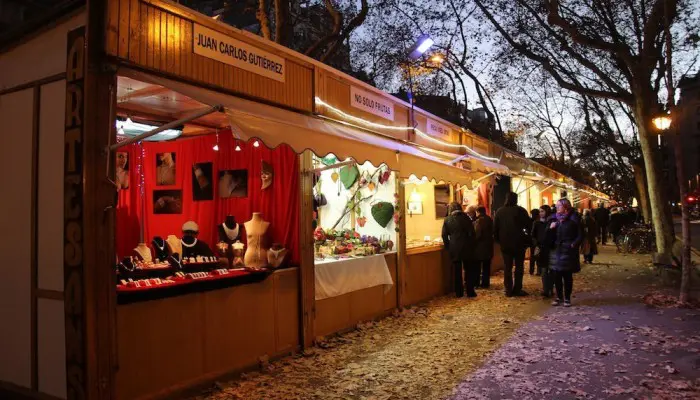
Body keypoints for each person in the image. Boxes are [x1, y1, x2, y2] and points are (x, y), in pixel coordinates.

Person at [494, 192, 532, 297]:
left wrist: (499, 240)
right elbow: (529, 226)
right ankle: (517, 289)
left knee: (507, 267)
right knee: (519, 267)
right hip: (519, 243)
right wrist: (526, 238)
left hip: (505, 243)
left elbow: (495, 229)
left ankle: (508, 289)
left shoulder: (499, 211)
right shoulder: (521, 211)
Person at [547, 199, 583, 307]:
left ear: (566, 207)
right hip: (556, 250)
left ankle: (567, 298)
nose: (557, 208)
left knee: (567, 275)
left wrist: (574, 244)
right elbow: (547, 235)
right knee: (556, 276)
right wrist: (550, 228)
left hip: (568, 251)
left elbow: (580, 234)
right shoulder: (553, 219)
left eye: (559, 206)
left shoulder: (574, 219)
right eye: (557, 206)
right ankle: (559, 297)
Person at [442, 202, 477, 298]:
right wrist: (472, 245)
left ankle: (459, 292)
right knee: (469, 270)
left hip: (454, 247)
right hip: (467, 247)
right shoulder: (466, 218)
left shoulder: (447, 220)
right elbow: (472, 233)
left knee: (457, 271)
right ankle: (470, 291)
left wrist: (448, 246)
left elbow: (444, 235)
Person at [532, 205, 553, 297]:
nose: (541, 213)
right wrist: (536, 244)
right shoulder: (536, 223)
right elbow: (533, 235)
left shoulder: (551, 223)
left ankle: (551, 288)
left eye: (542, 211)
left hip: (551, 249)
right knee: (544, 270)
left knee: (552, 270)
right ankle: (546, 289)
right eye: (540, 211)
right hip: (541, 249)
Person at [473, 206, 494, 289]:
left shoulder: (478, 221)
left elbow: (477, 234)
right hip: (488, 246)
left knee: (477, 266)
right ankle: (486, 283)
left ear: (478, 212)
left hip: (479, 248)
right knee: (486, 266)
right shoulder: (489, 220)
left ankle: (477, 283)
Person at [529, 209, 540, 275]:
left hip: (532, 241)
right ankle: (539, 271)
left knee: (532, 256)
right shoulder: (538, 221)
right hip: (537, 240)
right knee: (538, 255)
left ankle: (531, 270)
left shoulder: (530, 221)